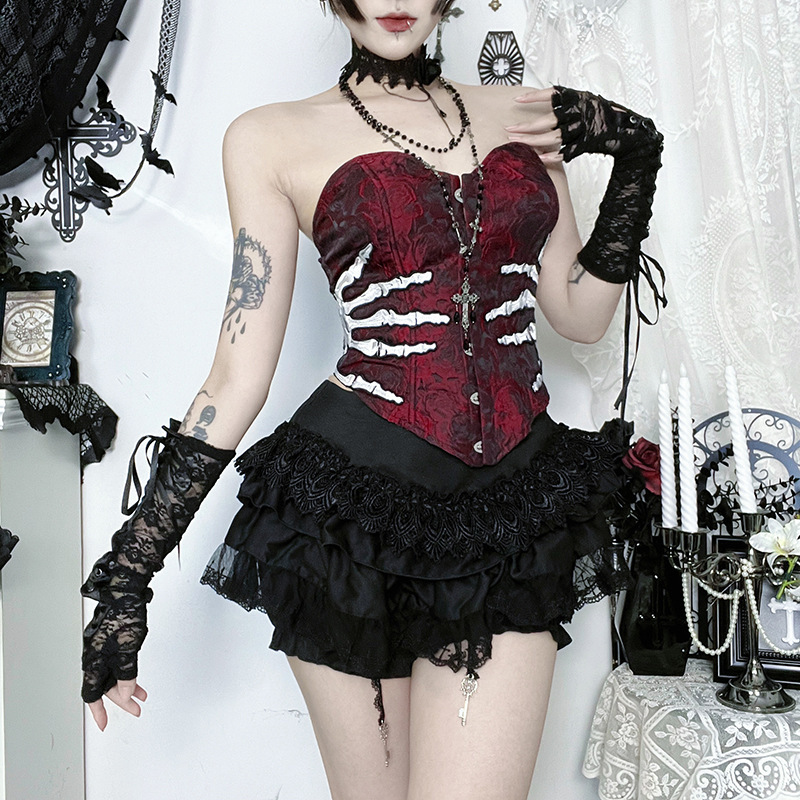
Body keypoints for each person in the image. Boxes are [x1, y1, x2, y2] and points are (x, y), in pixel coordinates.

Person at [80, 1, 664, 798]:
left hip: (512, 512)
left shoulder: (527, 116)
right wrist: (128, 576)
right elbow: (236, 376)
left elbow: (581, 317)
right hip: (350, 520)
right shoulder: (269, 137)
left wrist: (636, 160)